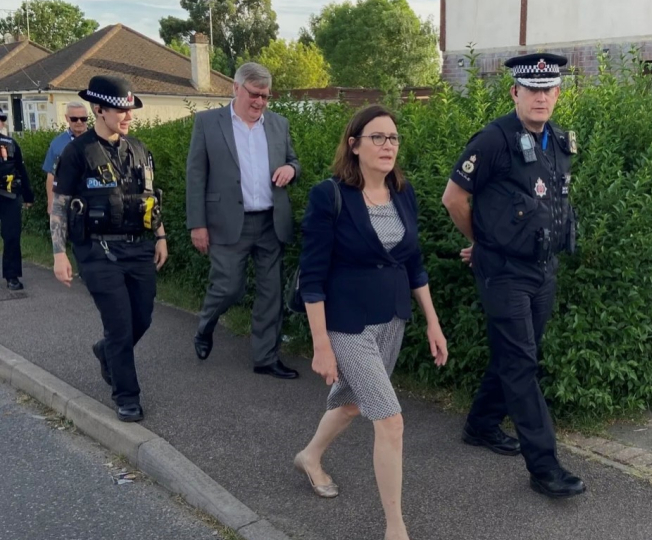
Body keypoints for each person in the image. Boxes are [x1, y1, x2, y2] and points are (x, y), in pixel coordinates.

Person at [295, 105, 447, 540]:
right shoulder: (331, 195)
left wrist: (432, 324)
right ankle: (395, 527)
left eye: (393, 138)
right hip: (347, 323)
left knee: (354, 403)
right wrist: (320, 343)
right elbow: (313, 274)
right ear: (354, 144)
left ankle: (309, 456)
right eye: (377, 137)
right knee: (390, 419)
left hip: (391, 318)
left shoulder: (404, 193)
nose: (387, 146)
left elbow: (414, 264)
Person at [441, 53, 585, 499]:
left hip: (544, 268)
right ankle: (545, 468)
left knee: (519, 354)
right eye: (532, 89)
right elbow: (453, 198)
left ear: (558, 95)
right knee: (522, 364)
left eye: (548, 90)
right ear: (514, 92)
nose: (540, 97)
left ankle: (481, 424)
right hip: (503, 271)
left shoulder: (559, 140)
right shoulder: (493, 139)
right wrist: (482, 241)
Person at [50, 75, 168, 423]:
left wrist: (160, 236)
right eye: (121, 109)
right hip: (97, 252)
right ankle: (126, 395)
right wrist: (59, 253)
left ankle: (105, 352)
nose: (128, 116)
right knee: (119, 324)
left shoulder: (140, 150)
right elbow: (59, 205)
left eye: (130, 109)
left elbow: (150, 200)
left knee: (141, 318)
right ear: (98, 109)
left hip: (138, 248)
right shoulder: (76, 153)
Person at [186, 62, 300, 379]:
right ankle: (205, 327)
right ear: (235, 88)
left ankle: (265, 357)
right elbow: (196, 176)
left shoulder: (278, 124)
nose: (260, 102)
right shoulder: (208, 123)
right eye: (254, 94)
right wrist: (197, 224)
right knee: (229, 289)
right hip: (226, 223)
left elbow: (292, 161)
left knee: (271, 293)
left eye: (265, 96)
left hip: (270, 222)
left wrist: (291, 169)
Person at [0, 107, 34, 290]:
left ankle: (12, 276)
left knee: (12, 236)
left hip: (9, 195)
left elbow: (21, 170)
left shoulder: (11, 143)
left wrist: (28, 196)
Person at [44, 102, 90, 214]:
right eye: (74, 119)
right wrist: (51, 202)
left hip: (90, 198)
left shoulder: (96, 140)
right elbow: (51, 175)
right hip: (64, 199)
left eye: (83, 119)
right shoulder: (57, 143)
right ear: (66, 118)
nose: (79, 122)